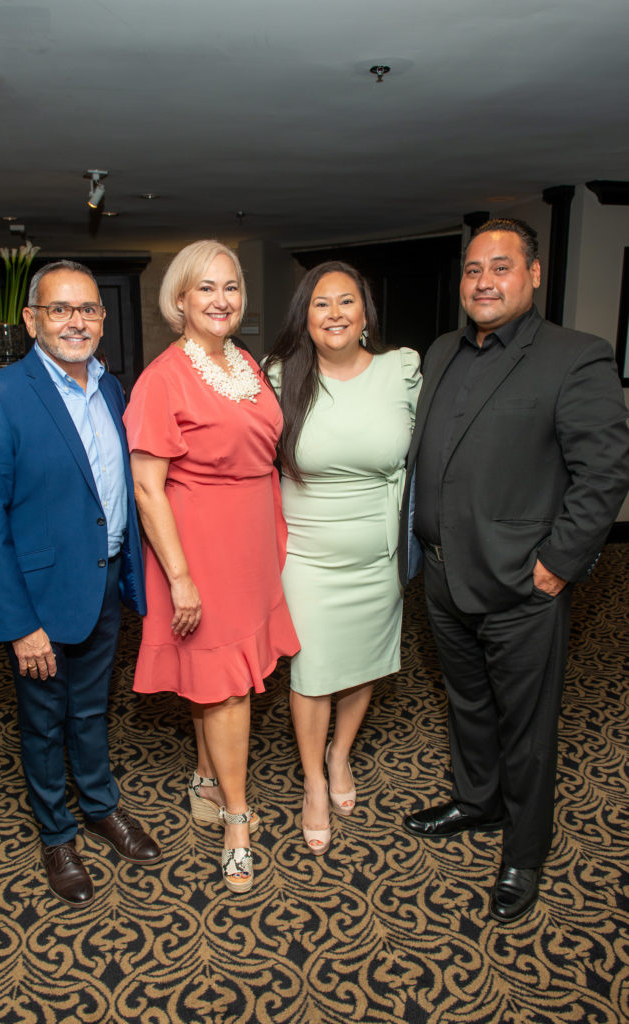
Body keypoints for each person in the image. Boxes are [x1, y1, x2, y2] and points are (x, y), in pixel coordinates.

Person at [399, 218, 629, 924]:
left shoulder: (575, 357)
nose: (483, 282)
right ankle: (477, 801)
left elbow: (605, 472)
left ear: (532, 274)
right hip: (441, 574)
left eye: (500, 267)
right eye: (472, 270)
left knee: (526, 728)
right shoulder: (442, 350)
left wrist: (558, 567)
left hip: (520, 586)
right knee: (468, 706)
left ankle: (524, 854)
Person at [0, 260, 160, 907]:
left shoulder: (113, 389)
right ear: (32, 319)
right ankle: (56, 833)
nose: (77, 321)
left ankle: (100, 805)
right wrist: (18, 623)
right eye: (61, 309)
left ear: (102, 318)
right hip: (37, 598)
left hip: (101, 584)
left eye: (89, 309)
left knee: (93, 709)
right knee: (44, 722)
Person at [123, 240, 299, 894]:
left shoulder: (244, 362)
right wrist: (180, 577)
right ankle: (237, 819)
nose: (220, 300)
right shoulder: (163, 378)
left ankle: (203, 775)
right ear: (179, 300)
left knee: (217, 673)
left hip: (252, 538)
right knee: (224, 684)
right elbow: (147, 489)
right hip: (198, 546)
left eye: (230, 288)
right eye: (205, 289)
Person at [263, 261, 421, 855]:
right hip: (304, 556)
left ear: (365, 313)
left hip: (378, 554)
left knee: (362, 665)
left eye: (346, 301)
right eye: (321, 303)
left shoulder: (401, 370)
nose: (334, 314)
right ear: (305, 316)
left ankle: (339, 755)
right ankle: (311, 780)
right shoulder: (280, 376)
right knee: (313, 673)